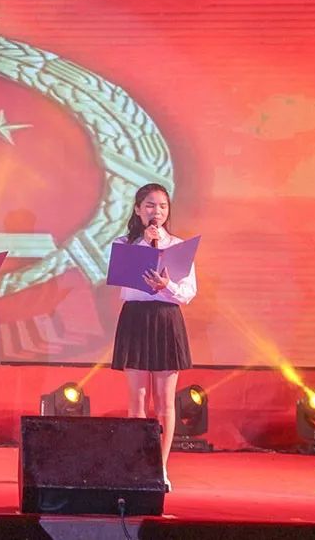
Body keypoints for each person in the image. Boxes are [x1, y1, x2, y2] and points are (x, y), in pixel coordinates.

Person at [110, 182, 196, 491]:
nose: (156, 211)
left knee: (165, 402)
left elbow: (188, 293)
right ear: (137, 210)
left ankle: (160, 468)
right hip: (136, 319)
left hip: (166, 319)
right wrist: (145, 246)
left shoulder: (179, 246)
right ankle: (136, 467)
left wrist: (166, 286)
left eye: (162, 206)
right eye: (149, 205)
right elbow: (122, 283)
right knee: (137, 401)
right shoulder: (125, 244)